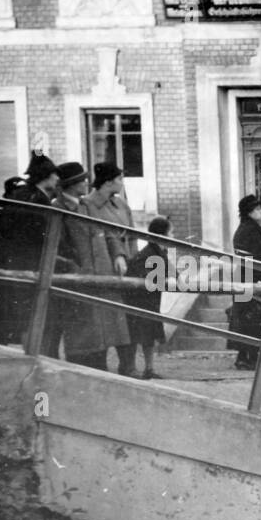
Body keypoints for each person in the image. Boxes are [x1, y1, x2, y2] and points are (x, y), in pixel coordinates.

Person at [54, 161, 129, 370]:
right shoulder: (58, 209)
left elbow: (109, 233)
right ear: (71, 184)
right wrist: (74, 269)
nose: (86, 183)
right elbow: (57, 247)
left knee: (105, 328)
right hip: (81, 279)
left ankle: (101, 367)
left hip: (103, 274)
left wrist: (118, 255)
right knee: (85, 334)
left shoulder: (87, 206)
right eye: (81, 180)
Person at [80, 162, 140, 376]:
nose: (122, 183)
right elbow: (102, 234)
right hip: (104, 268)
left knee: (130, 318)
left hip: (127, 268)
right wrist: (117, 255)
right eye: (119, 179)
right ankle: (100, 366)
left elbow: (132, 235)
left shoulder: (120, 204)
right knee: (106, 319)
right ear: (108, 181)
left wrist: (132, 260)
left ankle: (128, 365)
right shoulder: (88, 204)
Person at [0, 153, 60, 344]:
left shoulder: (22, 196)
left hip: (11, 261)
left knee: (18, 311)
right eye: (55, 175)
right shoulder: (37, 200)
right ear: (46, 176)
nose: (57, 179)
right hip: (28, 263)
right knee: (29, 312)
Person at [229, 194, 261, 370]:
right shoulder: (250, 230)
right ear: (250, 212)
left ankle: (245, 357)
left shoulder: (247, 228)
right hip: (252, 279)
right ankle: (250, 358)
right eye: (258, 209)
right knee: (253, 321)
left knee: (247, 320)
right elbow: (258, 258)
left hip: (246, 278)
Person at [124, 216, 171, 379]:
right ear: (163, 234)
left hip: (149, 299)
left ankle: (148, 368)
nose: (172, 236)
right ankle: (134, 367)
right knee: (141, 334)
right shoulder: (150, 253)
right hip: (141, 300)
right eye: (170, 232)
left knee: (147, 335)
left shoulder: (157, 251)